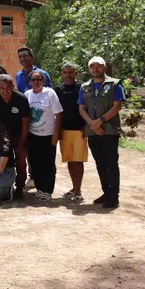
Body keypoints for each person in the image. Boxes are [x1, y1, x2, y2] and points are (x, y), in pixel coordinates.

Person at [78, 56, 125, 209]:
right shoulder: (85, 86)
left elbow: (117, 106)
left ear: (104, 68)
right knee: (100, 163)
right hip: (92, 130)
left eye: (98, 66)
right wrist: (92, 123)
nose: (95, 69)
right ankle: (106, 192)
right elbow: (81, 108)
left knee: (111, 163)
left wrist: (101, 120)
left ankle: (114, 196)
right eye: (92, 66)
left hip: (109, 130)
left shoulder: (114, 84)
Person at [0, 74, 31, 198]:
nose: (5, 91)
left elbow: (26, 122)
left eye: (8, 87)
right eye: (2, 88)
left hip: (19, 134)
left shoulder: (21, 99)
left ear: (12, 86)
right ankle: (3, 187)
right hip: (1, 136)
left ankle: (20, 187)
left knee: (21, 162)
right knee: (1, 161)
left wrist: (22, 142)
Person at [24, 71, 63, 201]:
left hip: (48, 135)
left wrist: (56, 133)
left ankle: (47, 191)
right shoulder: (27, 95)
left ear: (43, 81)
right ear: (30, 82)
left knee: (48, 164)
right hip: (33, 135)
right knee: (35, 163)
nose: (36, 82)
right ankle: (40, 189)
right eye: (34, 79)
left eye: (39, 79)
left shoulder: (50, 93)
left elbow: (58, 115)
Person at [55, 62, 87, 202]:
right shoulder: (58, 89)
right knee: (69, 159)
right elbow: (57, 111)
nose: (68, 75)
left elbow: (88, 107)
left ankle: (78, 191)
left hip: (79, 129)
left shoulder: (82, 87)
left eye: (71, 72)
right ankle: (74, 188)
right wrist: (58, 129)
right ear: (62, 73)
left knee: (78, 160)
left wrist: (86, 125)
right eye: (65, 72)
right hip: (64, 130)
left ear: (76, 73)